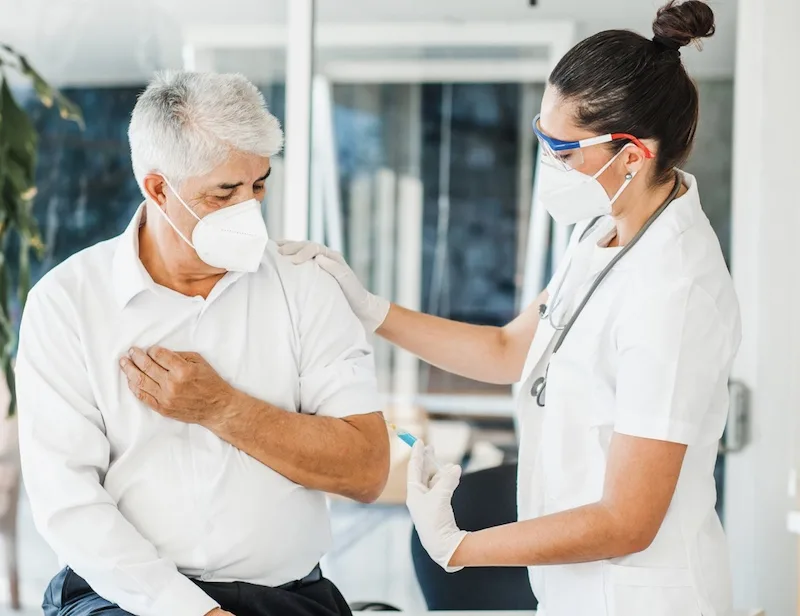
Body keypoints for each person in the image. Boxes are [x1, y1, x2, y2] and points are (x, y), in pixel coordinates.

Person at [278, 2, 740, 615]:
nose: (550, 162)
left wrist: (459, 546)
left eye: (562, 148)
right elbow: (508, 351)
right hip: (571, 591)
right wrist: (371, 310)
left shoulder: (675, 290)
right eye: (541, 136)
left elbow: (628, 520)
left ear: (632, 156)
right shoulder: (603, 230)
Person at [15, 71, 390, 616]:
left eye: (259, 185)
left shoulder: (305, 286)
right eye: (225, 193)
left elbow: (366, 471)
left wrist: (223, 409)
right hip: (120, 600)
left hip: (286, 598)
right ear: (159, 189)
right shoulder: (68, 303)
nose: (249, 210)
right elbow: (67, 503)